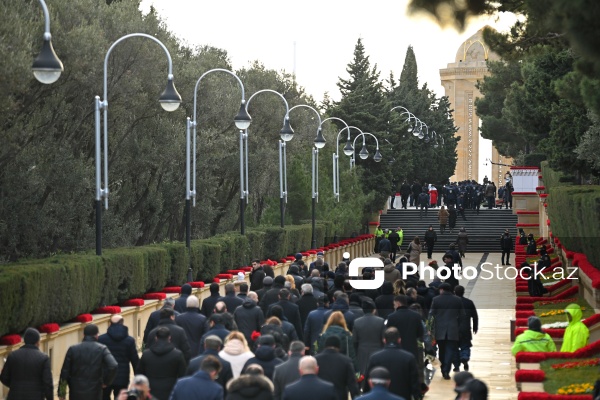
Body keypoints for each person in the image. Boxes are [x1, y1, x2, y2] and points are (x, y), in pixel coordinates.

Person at [58, 324, 118, 400]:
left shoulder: (73, 349)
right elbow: (113, 365)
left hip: (76, 391)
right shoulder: (102, 349)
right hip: (95, 390)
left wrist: (62, 392)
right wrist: (106, 382)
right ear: (96, 335)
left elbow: (64, 373)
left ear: (84, 335)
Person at [363, 327, 420, 400]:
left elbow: (368, 381)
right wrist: (417, 396)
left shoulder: (375, 358)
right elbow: (414, 382)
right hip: (403, 396)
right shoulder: (409, 358)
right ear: (399, 340)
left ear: (384, 340)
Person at [0, 327, 53, 400]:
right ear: (37, 342)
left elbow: (4, 377)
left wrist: (14, 386)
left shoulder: (12, 356)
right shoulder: (43, 358)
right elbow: (48, 384)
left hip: (14, 396)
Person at [137, 327, 186, 400]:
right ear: (169, 338)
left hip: (150, 390)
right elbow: (183, 375)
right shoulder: (177, 354)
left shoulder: (146, 354)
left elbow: (139, 373)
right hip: (170, 389)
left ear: (156, 338)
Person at [98, 315, 140, 400]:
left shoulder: (102, 339)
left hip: (106, 377)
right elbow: (135, 360)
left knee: (104, 397)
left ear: (110, 324)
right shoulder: (130, 340)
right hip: (122, 376)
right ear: (122, 323)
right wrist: (138, 377)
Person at [429, 283, 465, 380]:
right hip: (453, 329)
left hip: (440, 329)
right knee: (450, 350)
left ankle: (443, 368)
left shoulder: (436, 299)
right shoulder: (457, 300)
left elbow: (431, 314)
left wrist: (430, 329)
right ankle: (446, 370)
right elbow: (462, 315)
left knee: (442, 350)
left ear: (442, 289)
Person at [315, 335, 360, 400]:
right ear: (339, 346)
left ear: (325, 345)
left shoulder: (316, 359)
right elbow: (352, 385)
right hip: (340, 397)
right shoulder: (346, 361)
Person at [352, 301, 385, 375]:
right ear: (374, 310)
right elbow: (384, 339)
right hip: (377, 351)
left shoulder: (356, 322)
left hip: (361, 353)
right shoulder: (381, 321)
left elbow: (354, 340)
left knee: (362, 375)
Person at [453, 285, 478, 372]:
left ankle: (456, 366)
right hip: (466, 329)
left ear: (454, 292)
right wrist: (475, 327)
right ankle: (465, 357)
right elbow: (475, 316)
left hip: (454, 329)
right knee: (465, 345)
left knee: (454, 348)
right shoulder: (469, 302)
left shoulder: (452, 303)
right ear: (463, 292)